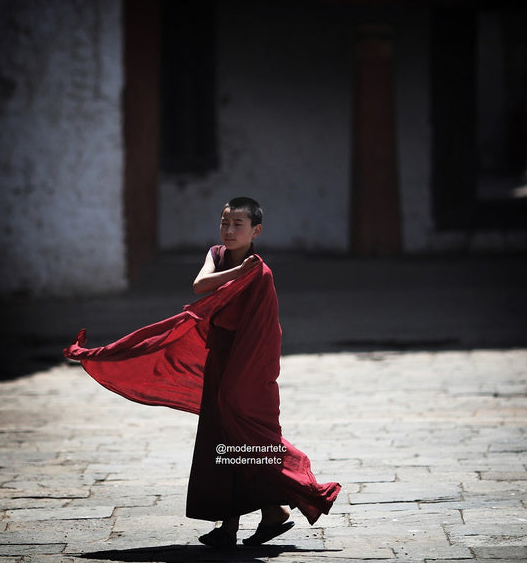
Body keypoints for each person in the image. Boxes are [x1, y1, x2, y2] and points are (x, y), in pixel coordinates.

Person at [64, 196, 341, 550]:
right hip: (220, 359)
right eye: (224, 223)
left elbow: (265, 334)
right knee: (222, 440)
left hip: (247, 367)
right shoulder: (218, 255)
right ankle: (266, 514)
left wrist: (239, 383)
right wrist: (239, 272)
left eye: (237, 225)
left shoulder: (263, 273)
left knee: (243, 439)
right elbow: (200, 286)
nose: (228, 230)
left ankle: (245, 521)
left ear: (256, 230)